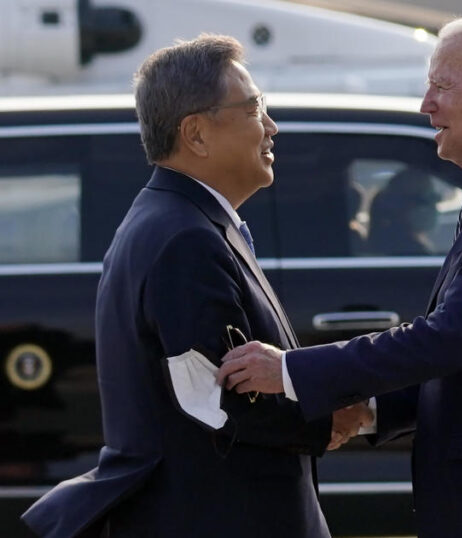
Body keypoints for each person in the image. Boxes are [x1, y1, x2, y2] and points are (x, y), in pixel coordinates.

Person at [218, 16, 462, 538]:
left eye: (442, 86)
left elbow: (446, 340)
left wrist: (291, 372)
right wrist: (369, 411)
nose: (426, 104)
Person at [21, 34, 369, 538]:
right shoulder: (184, 238)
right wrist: (328, 416)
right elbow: (215, 399)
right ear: (196, 134)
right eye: (254, 109)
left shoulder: (181, 222)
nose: (271, 127)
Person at [366, 167, 441, 255]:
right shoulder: (410, 252)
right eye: (425, 200)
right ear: (401, 205)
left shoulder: (381, 242)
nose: (433, 206)